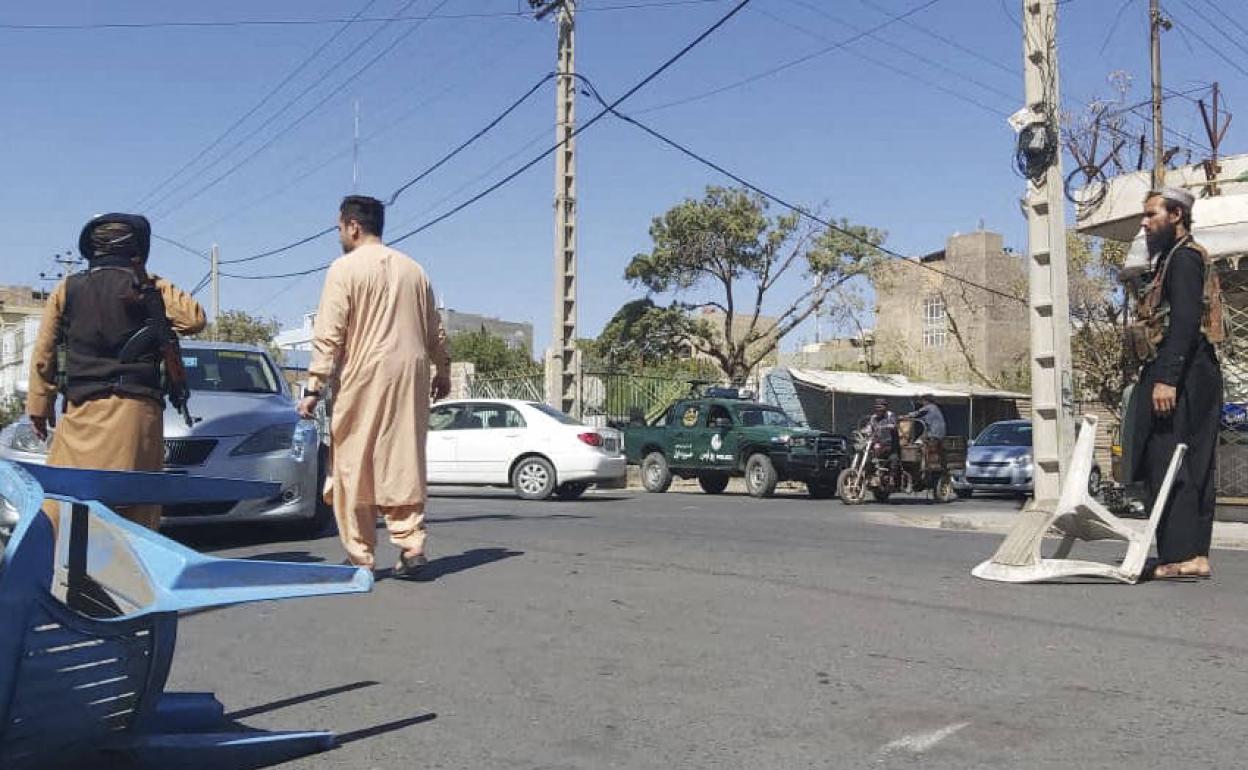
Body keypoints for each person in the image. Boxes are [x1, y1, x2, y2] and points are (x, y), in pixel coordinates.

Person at [298, 195, 451, 577]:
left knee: (354, 463)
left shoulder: (344, 269)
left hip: (363, 376)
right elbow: (435, 330)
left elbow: (329, 334)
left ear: (352, 226)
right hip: (410, 377)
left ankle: (360, 556)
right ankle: (411, 546)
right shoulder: (415, 270)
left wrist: (314, 387)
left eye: (339, 228)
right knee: (403, 459)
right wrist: (443, 370)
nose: (339, 235)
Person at [26, 213, 206, 529]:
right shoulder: (149, 287)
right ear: (138, 248)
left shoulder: (67, 289)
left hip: (80, 414)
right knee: (135, 513)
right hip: (136, 415)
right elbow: (194, 319)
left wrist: (39, 408)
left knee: (66, 505)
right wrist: (151, 282)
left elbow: (44, 354)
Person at [1128, 186, 1223, 579]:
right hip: (1193, 374)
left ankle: (1183, 554)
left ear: (1176, 215)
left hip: (1184, 377)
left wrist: (1167, 379)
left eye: (1152, 214)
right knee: (1190, 460)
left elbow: (1184, 321)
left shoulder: (1183, 258)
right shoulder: (1175, 257)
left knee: (1169, 459)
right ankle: (1192, 554)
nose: (1145, 222)